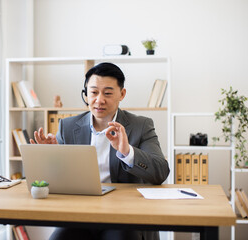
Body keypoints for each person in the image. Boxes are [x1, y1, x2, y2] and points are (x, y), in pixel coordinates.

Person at [30, 62, 170, 240]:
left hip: (125, 216)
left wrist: (127, 152)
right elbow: (54, 181)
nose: (99, 100)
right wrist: (50, 157)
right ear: (86, 95)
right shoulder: (68, 126)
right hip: (80, 215)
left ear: (122, 94)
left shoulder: (141, 126)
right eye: (94, 92)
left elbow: (161, 172)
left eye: (108, 93)